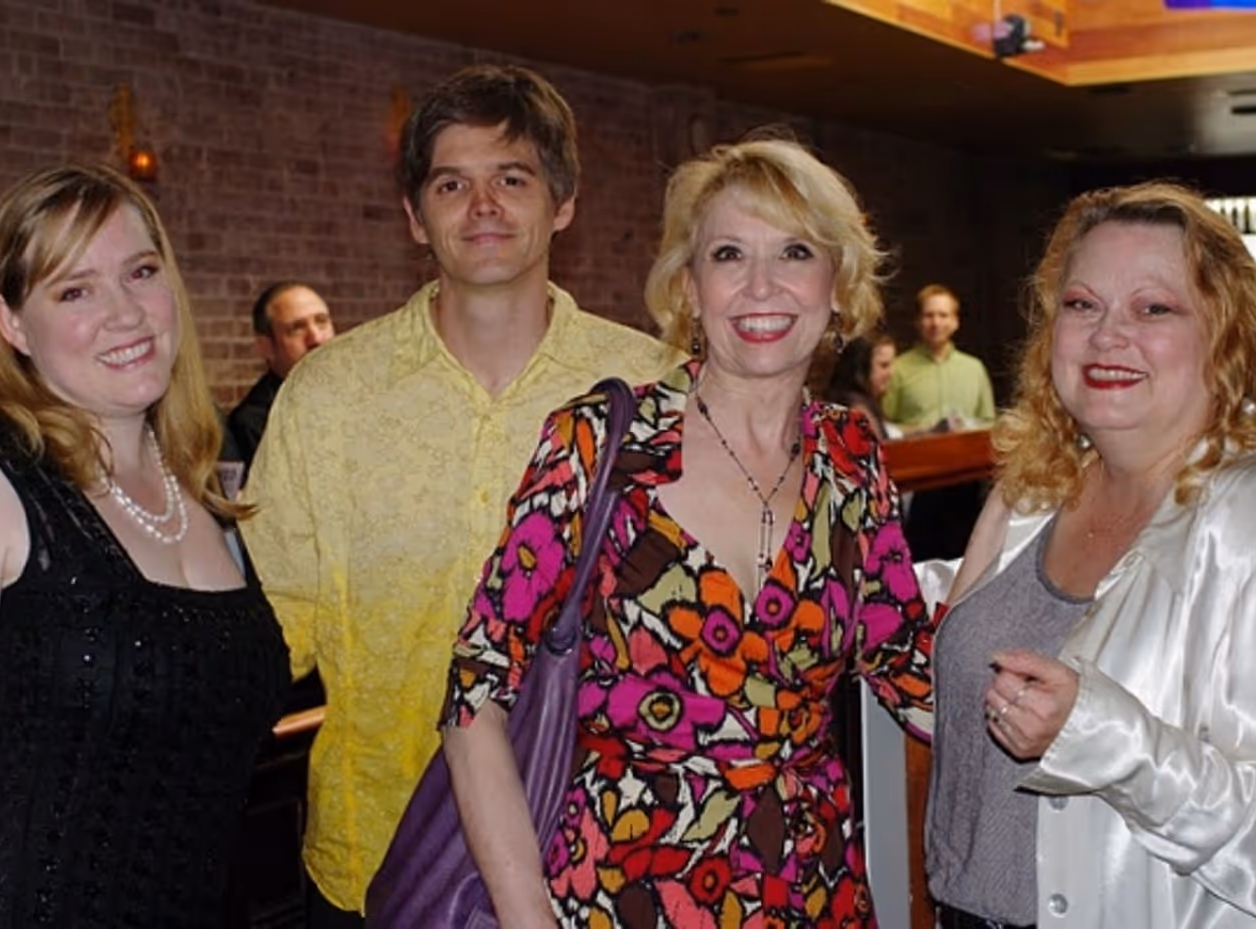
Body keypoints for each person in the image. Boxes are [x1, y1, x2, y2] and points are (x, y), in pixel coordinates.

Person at [440, 138, 934, 928]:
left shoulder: (851, 457)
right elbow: (476, 690)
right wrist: (528, 917)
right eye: (730, 253)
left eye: (795, 252)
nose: (762, 286)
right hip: (620, 890)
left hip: (811, 890)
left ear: (837, 286)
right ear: (688, 287)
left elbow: (912, 669)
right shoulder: (600, 442)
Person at [239, 64, 679, 925]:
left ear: (562, 202)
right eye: (452, 183)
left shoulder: (652, 387)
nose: (482, 205)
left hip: (604, 849)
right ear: (414, 215)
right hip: (378, 855)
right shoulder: (330, 393)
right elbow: (267, 627)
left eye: (511, 178)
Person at [0, 164, 290, 928]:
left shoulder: (198, 493)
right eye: (74, 290)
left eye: (141, 272)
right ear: (10, 322)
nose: (125, 313)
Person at [924, 181, 1256, 928]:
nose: (1106, 336)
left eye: (1153, 308)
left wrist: (1107, 739)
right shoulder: (1033, 488)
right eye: (1082, 304)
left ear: (1227, 334)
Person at [227, 281, 335, 469]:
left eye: (322, 321)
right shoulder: (253, 424)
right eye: (297, 328)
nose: (316, 339)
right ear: (266, 347)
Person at [882, 284, 994, 432]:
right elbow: (885, 429)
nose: (936, 323)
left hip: (968, 454)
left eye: (943, 315)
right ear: (917, 321)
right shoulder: (897, 369)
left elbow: (989, 424)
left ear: (955, 322)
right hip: (916, 454)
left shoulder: (975, 369)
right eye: (929, 315)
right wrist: (921, 430)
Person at [825, 331, 897, 437]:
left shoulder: (861, 404)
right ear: (860, 370)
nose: (891, 373)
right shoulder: (858, 412)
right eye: (884, 365)